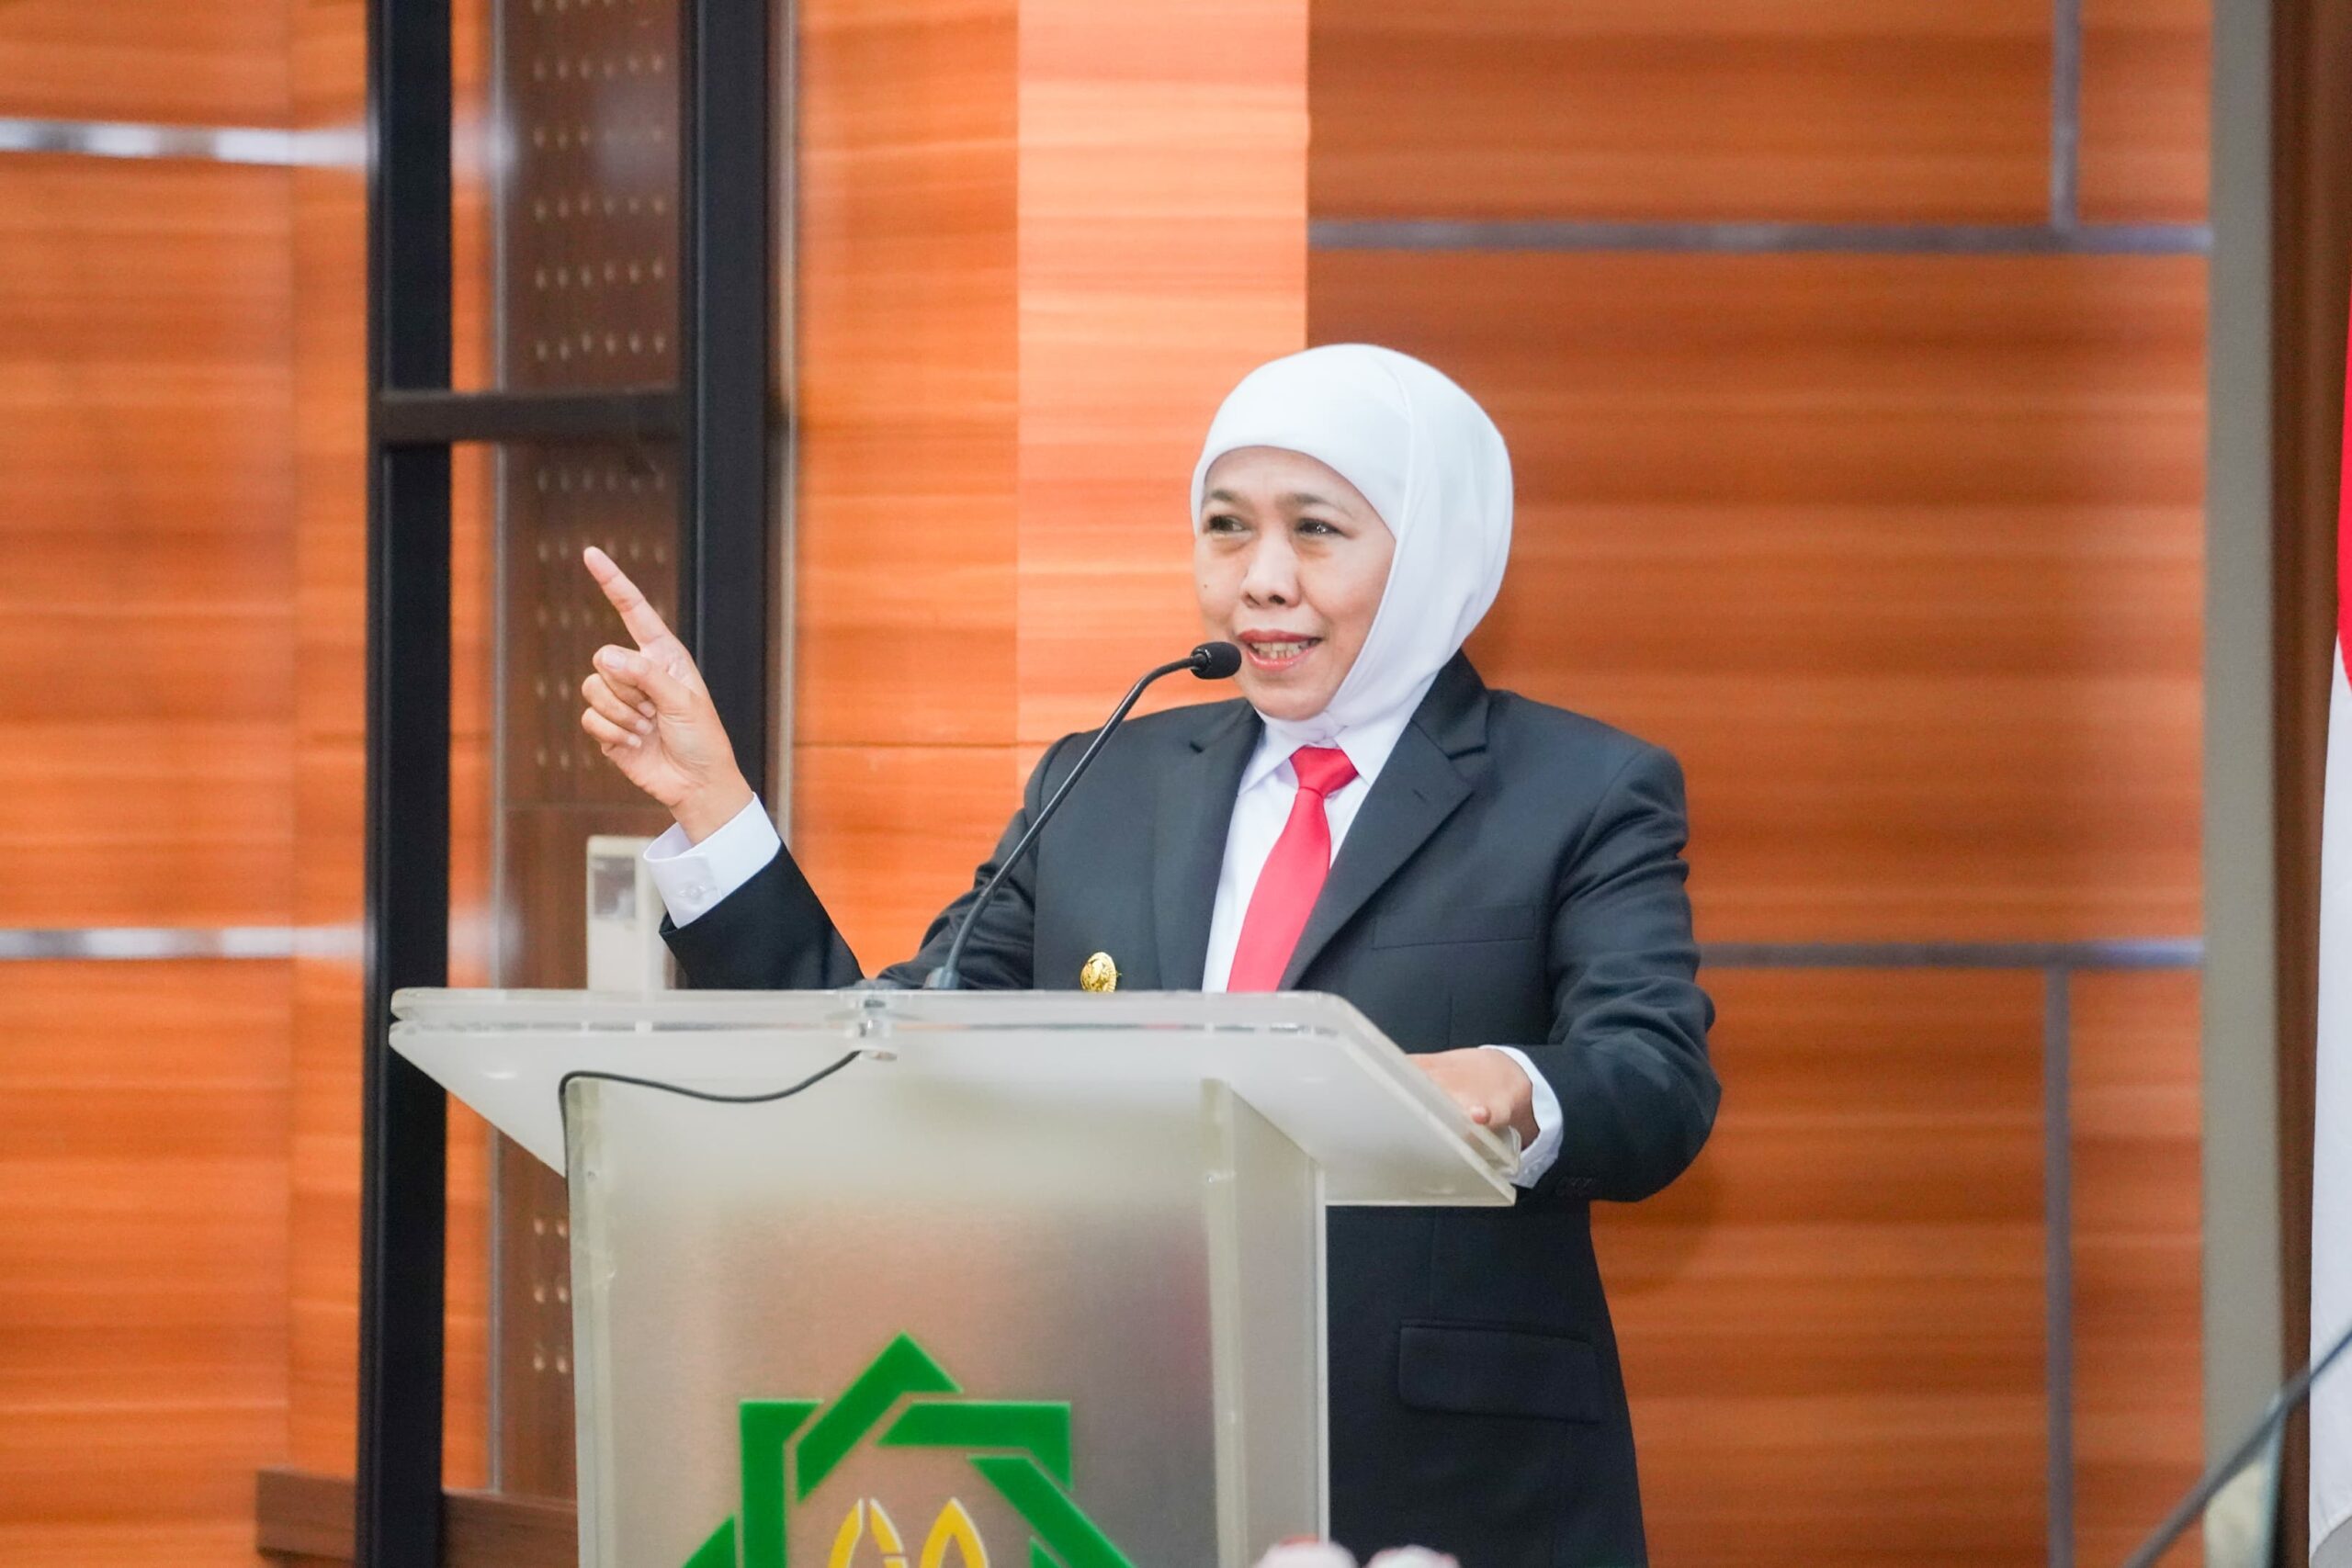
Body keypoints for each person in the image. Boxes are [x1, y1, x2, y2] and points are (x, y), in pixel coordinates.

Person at [576, 344, 1717, 1566]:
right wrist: (715, 811)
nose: (1260, 579)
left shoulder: (1579, 791)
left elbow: (1653, 1080)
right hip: (1112, 1465)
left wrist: (1512, 1084)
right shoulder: (1103, 783)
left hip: (1443, 1482)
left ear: (1436, 546)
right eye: (1226, 528)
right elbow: (885, 1048)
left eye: (1316, 530)